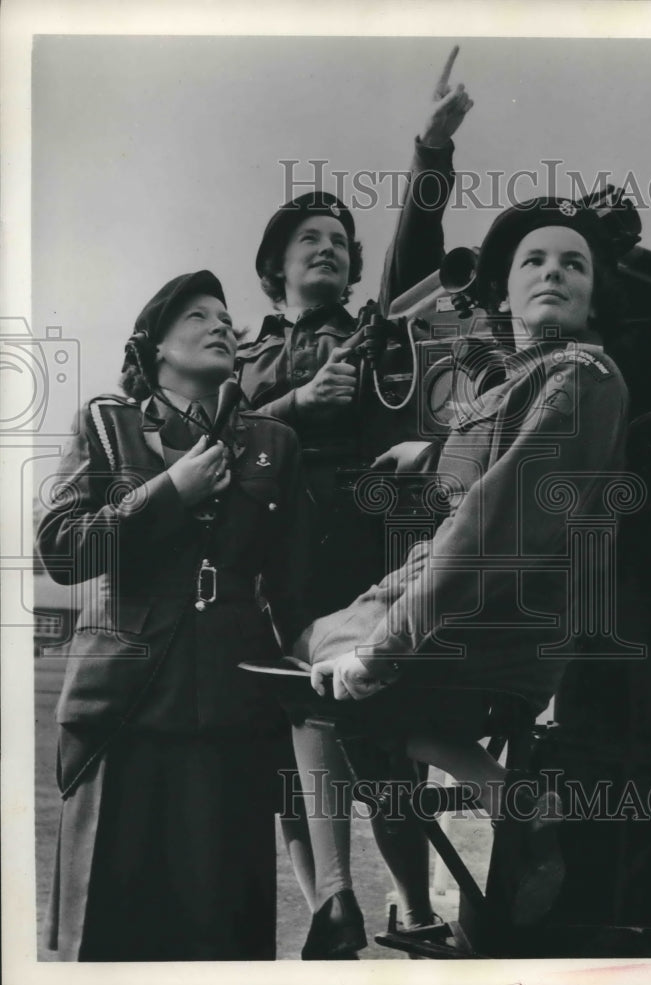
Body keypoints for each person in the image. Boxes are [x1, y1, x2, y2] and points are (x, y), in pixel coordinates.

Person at [285, 196, 636, 955]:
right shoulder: (511, 385)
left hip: (504, 627)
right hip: (466, 614)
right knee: (310, 658)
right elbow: (473, 480)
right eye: (533, 262)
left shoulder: (583, 376)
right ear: (504, 291)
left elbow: (493, 527)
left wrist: (384, 647)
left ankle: (492, 802)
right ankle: (491, 802)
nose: (552, 273)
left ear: (593, 293)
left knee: (322, 683)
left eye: (573, 263)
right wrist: (423, 458)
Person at [38, 270, 310, 960]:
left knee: (224, 940)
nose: (222, 324)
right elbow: (61, 551)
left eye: (226, 317)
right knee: (107, 941)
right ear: (155, 345)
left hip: (234, 718)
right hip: (120, 714)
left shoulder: (273, 443)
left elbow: (296, 584)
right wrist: (167, 493)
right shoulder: (107, 423)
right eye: (197, 316)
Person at [238, 45, 474, 616]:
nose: (329, 248)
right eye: (311, 239)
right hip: (253, 544)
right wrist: (299, 401)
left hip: (353, 539)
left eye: (340, 241)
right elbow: (213, 437)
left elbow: (414, 242)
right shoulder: (241, 354)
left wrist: (432, 147)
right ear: (277, 265)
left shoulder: (376, 329)